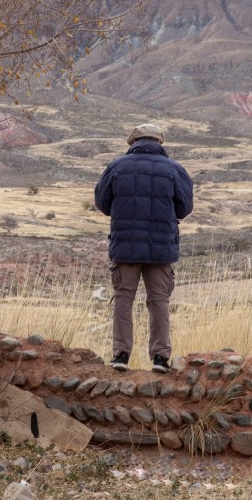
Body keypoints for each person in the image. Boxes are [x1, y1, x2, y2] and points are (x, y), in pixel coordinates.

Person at [93, 122, 193, 374]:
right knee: (159, 301)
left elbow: (103, 203)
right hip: (161, 249)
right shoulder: (174, 169)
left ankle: (121, 355)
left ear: (133, 142)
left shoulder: (116, 167)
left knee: (124, 299)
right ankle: (160, 358)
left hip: (125, 247)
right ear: (159, 142)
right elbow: (184, 208)